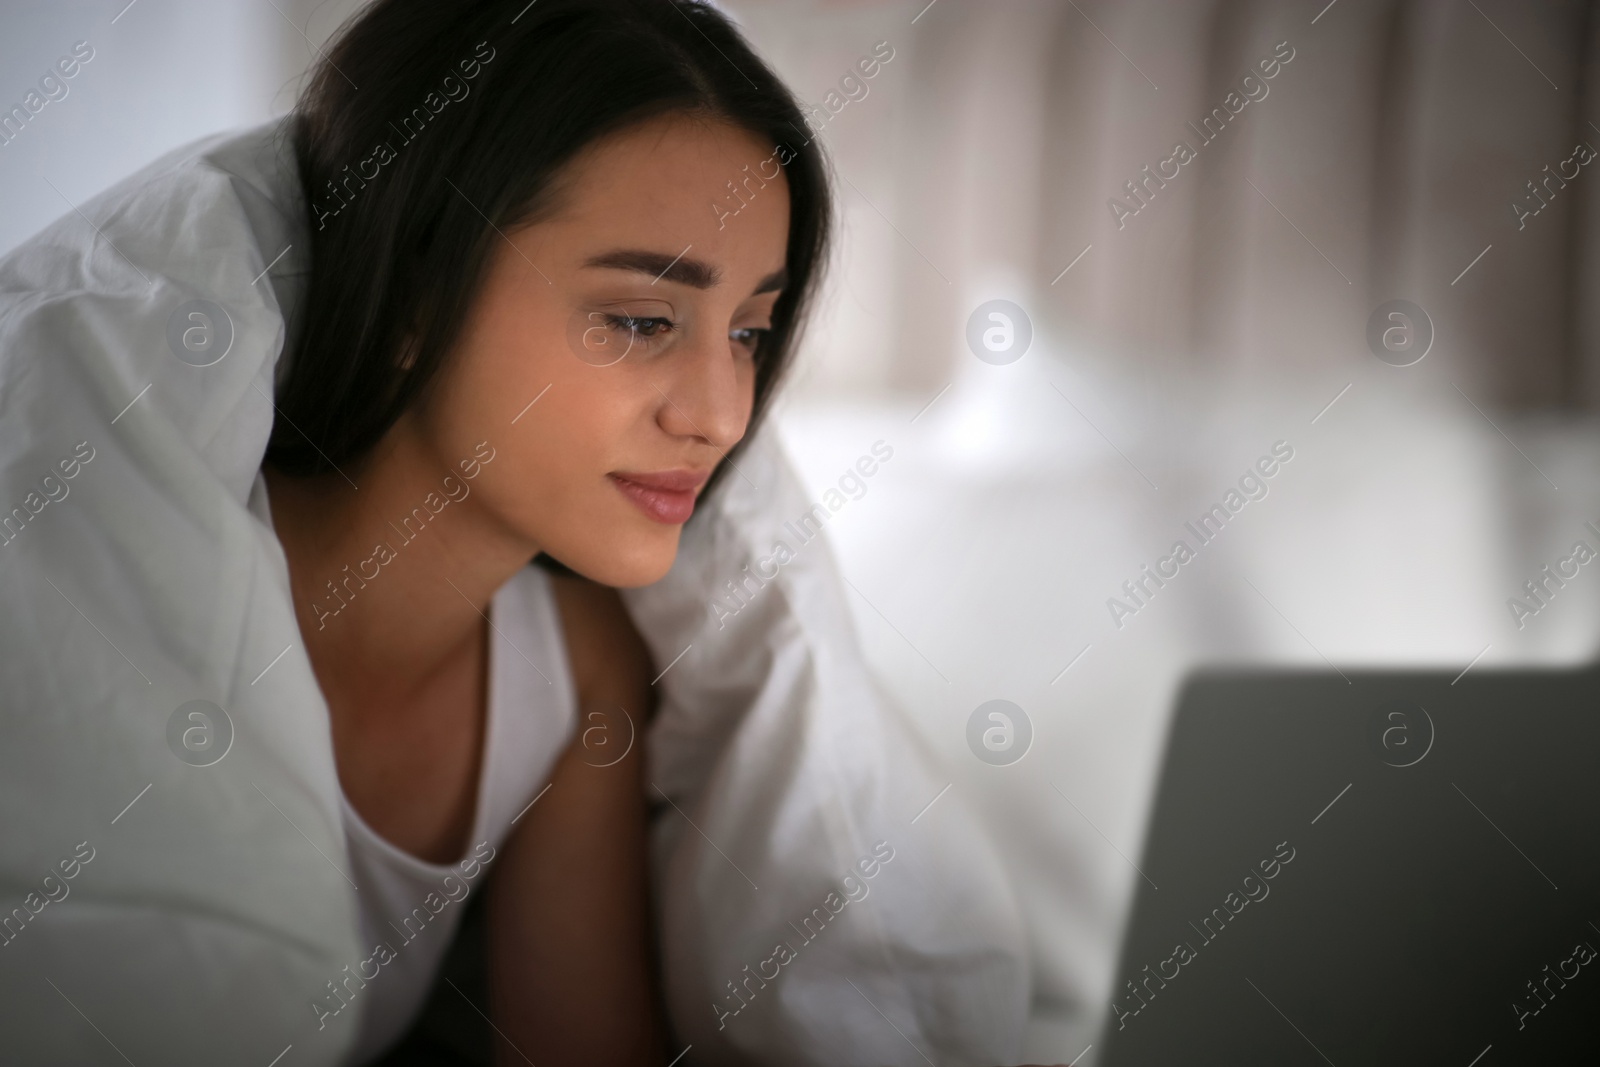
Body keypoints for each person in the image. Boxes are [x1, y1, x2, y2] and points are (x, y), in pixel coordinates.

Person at [255, 0, 829, 1061]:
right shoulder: (177, 578)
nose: (718, 414)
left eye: (749, 332)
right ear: (415, 295)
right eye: (642, 319)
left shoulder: (578, 672)